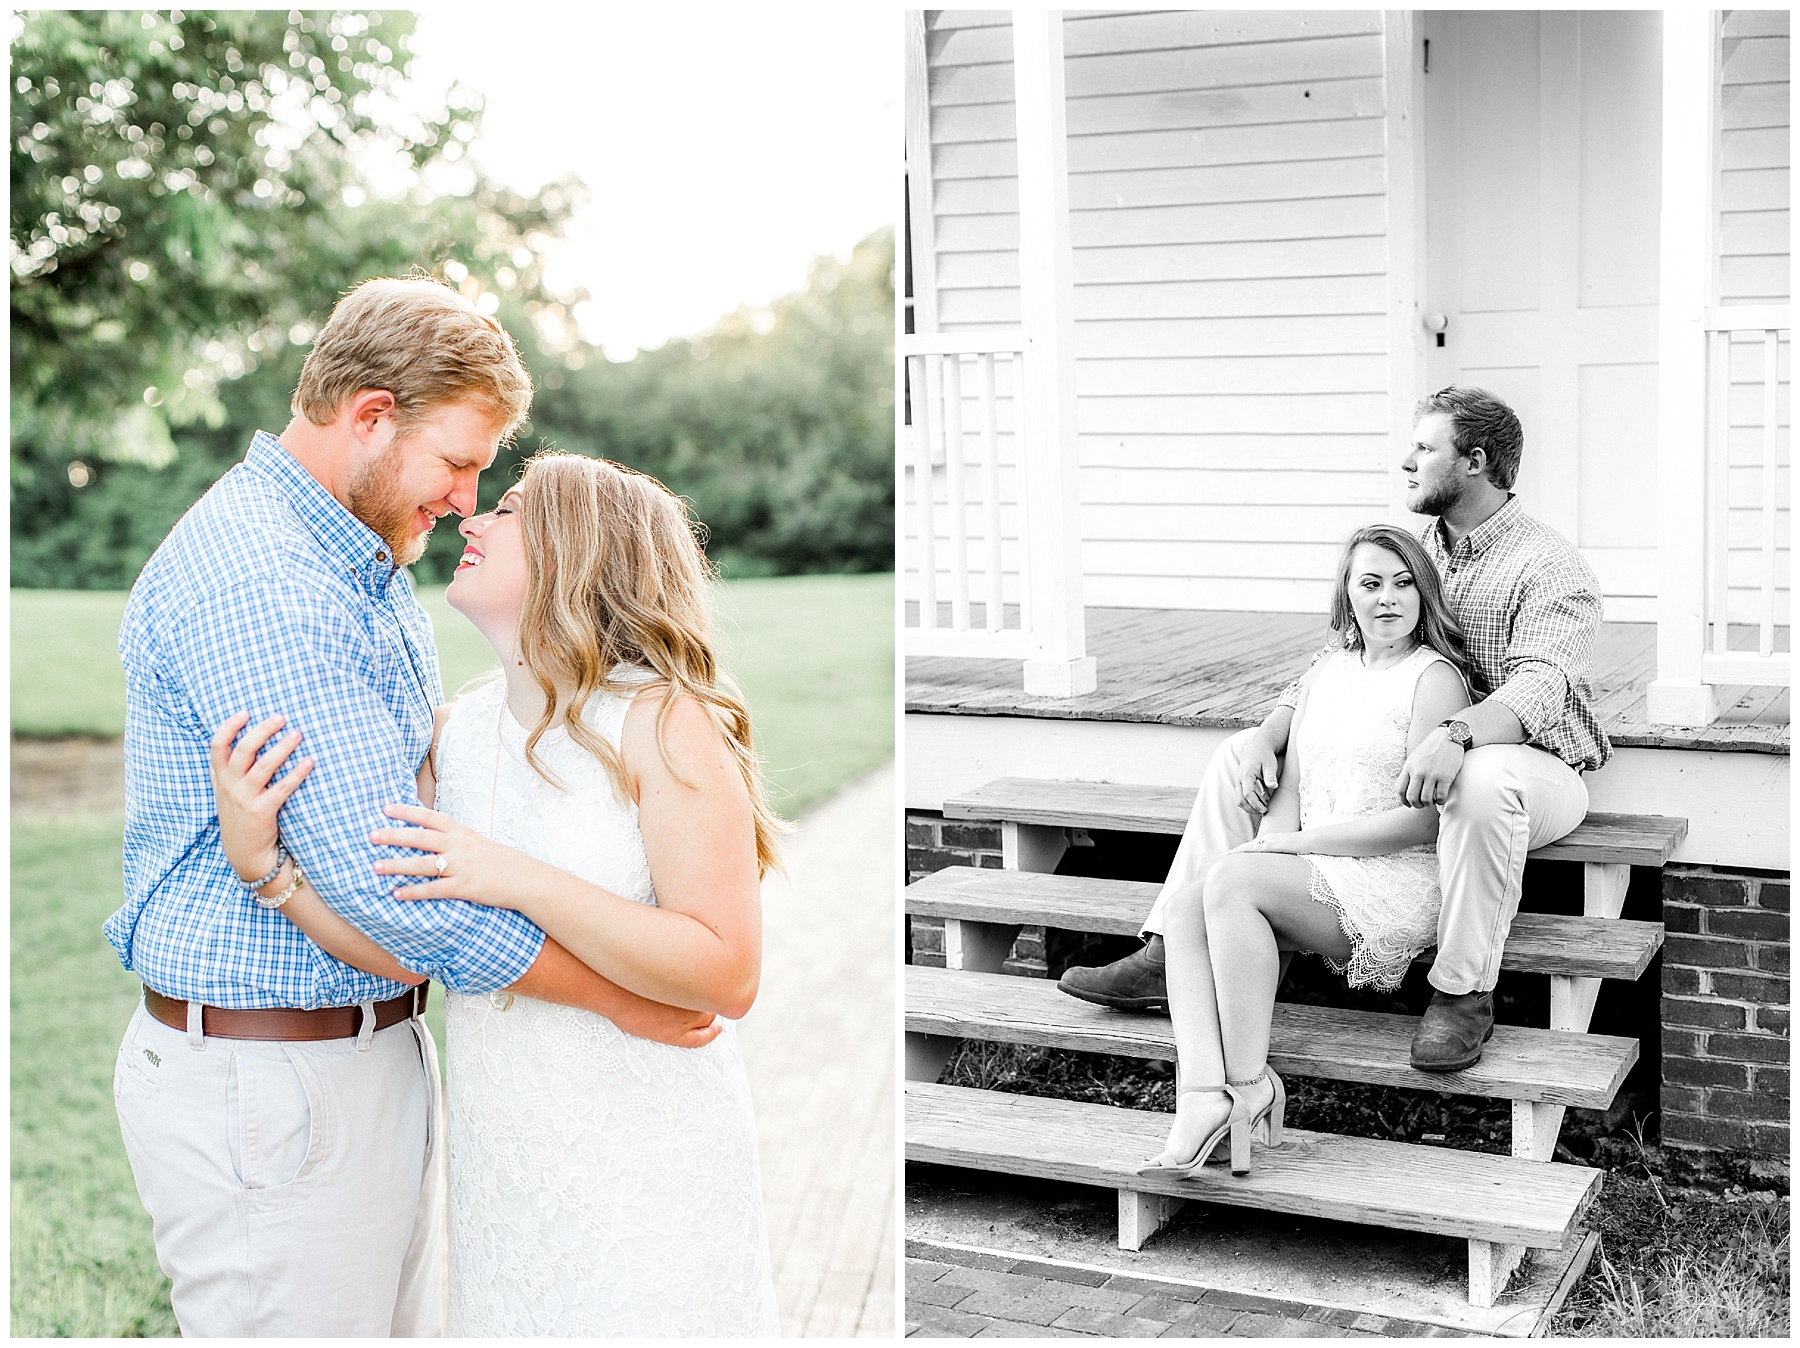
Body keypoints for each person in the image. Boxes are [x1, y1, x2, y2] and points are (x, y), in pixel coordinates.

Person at [107, 276, 717, 1338]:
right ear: (372, 416)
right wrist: (616, 996)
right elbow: (398, 883)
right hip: (275, 1079)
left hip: (355, 1058)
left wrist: (272, 872)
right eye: (460, 461)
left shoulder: (359, 558)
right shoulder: (267, 579)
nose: (467, 500)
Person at [210, 450, 784, 1335]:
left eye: (508, 510)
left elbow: (725, 969)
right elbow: (407, 947)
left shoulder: (664, 720)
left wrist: (515, 876)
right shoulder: (457, 735)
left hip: (649, 1152)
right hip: (508, 1156)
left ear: (577, 550)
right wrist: (267, 872)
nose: (472, 520)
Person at [1060, 386, 1609, 1073]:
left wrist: (1459, 733)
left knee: (1482, 779)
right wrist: (1271, 727)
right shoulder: (1417, 550)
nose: (1407, 461)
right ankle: (1175, 942)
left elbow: (1543, 685)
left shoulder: (1547, 563)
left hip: (1533, 762)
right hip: (1434, 745)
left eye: (1424, 448)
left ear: (1473, 460)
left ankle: (1463, 991)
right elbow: (1343, 656)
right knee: (1238, 753)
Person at [1139, 526, 1470, 1174]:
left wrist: (1289, 849)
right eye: (1371, 583)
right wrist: (1273, 848)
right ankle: (1203, 1096)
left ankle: (1249, 1085)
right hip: (1316, 865)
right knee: (1185, 907)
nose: (1387, 598)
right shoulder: (1327, 671)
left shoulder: (1434, 679)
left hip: (1391, 877)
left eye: (1403, 583)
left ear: (1424, 593)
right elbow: (1291, 786)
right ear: (1347, 595)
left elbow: (1422, 823)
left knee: (1233, 883)